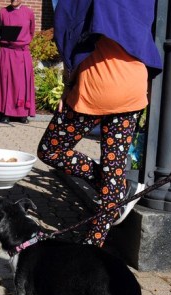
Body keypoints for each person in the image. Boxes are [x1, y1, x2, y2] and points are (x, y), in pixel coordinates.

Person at [37, 0, 162, 247]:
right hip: (131, 89)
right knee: (112, 170)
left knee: (51, 149)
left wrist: (68, 84)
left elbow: (72, 32)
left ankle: (115, 186)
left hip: (95, 89)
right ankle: (93, 243)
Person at [0, 0, 35, 124]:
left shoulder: (29, 12)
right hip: (6, 52)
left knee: (22, 83)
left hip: (22, 53)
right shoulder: (2, 12)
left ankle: (22, 113)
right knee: (6, 83)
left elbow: (31, 32)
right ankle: (5, 112)